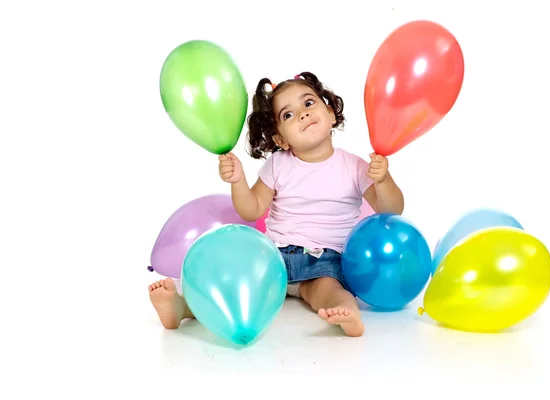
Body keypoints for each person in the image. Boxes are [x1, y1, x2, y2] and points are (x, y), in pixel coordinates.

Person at [149, 72, 405, 337]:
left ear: (330, 114)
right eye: (288, 115)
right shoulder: (278, 164)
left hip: (326, 259)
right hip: (273, 256)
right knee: (236, 287)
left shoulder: (354, 166)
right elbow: (252, 209)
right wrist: (238, 181)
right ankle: (183, 307)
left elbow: (391, 210)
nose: (302, 114)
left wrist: (384, 180)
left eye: (308, 103)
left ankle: (345, 312)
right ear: (281, 140)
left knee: (328, 290)